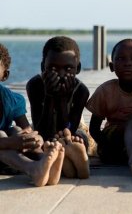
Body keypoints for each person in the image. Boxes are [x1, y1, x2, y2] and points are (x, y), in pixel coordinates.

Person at [87, 39, 132, 178]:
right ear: (111, 66)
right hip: (115, 140)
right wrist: (104, 146)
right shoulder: (106, 90)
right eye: (121, 59)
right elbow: (94, 128)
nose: (128, 63)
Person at [0, 43, 64, 186]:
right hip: (4, 151)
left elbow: (26, 128)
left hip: (8, 157)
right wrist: (9, 142)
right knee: (2, 135)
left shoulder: (11, 99)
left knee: (16, 131)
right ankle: (34, 169)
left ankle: (46, 163)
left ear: (5, 75)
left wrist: (34, 139)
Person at [26, 36, 90, 179]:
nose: (61, 74)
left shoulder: (81, 91)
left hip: (72, 129)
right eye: (53, 68)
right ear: (43, 67)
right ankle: (67, 163)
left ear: (78, 68)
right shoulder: (35, 85)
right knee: (33, 142)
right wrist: (49, 96)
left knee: (80, 138)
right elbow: (40, 129)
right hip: (44, 129)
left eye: (68, 68)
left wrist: (61, 100)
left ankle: (68, 158)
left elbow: (69, 128)